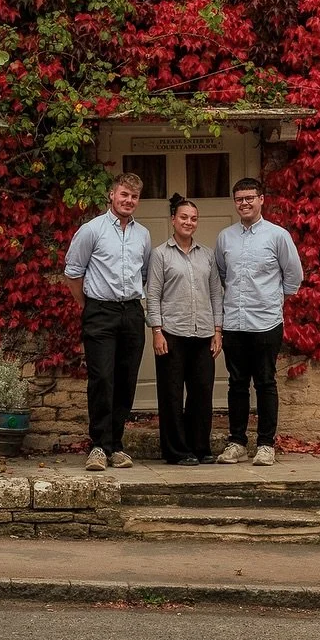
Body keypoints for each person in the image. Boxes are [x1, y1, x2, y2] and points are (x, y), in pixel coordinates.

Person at [64, 172, 153, 472]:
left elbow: (144, 275)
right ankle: (99, 446)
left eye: (134, 197)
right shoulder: (92, 230)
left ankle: (117, 445)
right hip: (100, 311)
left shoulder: (143, 234)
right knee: (102, 378)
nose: (129, 200)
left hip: (131, 311)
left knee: (126, 380)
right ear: (112, 195)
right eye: (124, 194)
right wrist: (85, 305)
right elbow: (73, 271)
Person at [215, 177, 303, 467]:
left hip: (265, 322)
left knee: (265, 382)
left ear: (262, 199)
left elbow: (293, 277)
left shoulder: (278, 236)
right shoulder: (225, 237)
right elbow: (222, 274)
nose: (244, 203)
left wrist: (272, 299)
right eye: (239, 198)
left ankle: (266, 444)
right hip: (234, 324)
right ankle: (237, 442)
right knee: (236, 384)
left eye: (250, 197)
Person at [145, 194, 222, 466]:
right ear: (173, 221)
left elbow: (215, 293)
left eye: (193, 218)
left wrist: (217, 330)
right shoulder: (160, 254)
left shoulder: (208, 255)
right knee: (172, 394)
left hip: (203, 334)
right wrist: (156, 330)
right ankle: (176, 451)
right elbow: (152, 295)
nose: (189, 222)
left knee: (202, 393)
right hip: (171, 334)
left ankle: (200, 447)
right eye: (184, 217)